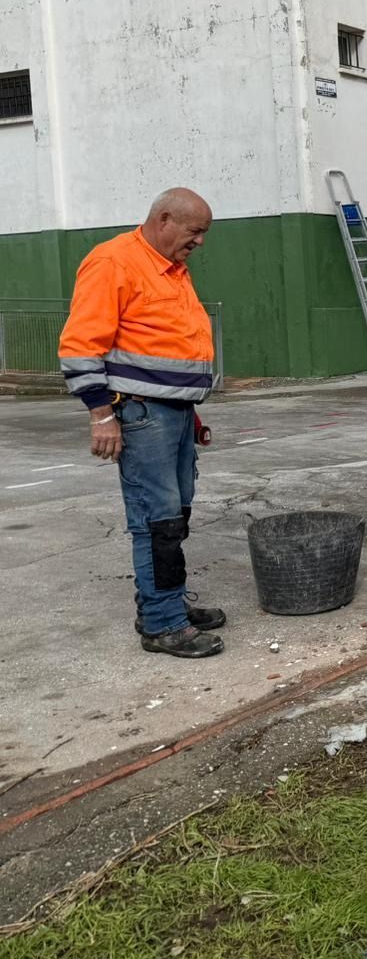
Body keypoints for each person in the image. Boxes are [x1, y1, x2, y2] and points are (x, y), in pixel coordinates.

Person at [58, 188, 225, 658]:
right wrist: (102, 415)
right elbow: (79, 346)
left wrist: (188, 404)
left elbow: (167, 344)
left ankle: (163, 602)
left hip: (172, 412)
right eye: (195, 232)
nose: (200, 243)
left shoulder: (171, 268)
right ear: (165, 219)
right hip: (140, 413)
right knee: (158, 520)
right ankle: (162, 623)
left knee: (177, 512)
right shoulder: (114, 262)